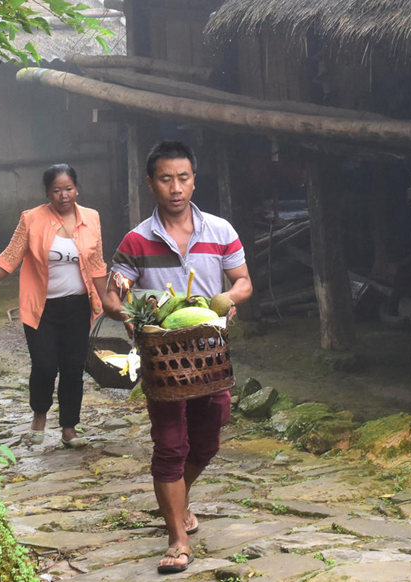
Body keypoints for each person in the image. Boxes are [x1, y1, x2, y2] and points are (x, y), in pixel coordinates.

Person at [104, 140, 252, 573]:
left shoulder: (221, 232)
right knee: (170, 445)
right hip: (164, 361)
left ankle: (178, 500)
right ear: (152, 184)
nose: (175, 188)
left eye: (183, 178)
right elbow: (113, 297)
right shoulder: (135, 240)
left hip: (210, 358)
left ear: (194, 181)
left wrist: (225, 298)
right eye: (165, 179)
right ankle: (177, 537)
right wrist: (131, 312)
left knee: (208, 440)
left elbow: (243, 281)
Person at [0, 163, 108, 448]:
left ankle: (69, 428)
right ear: (47, 193)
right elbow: (9, 258)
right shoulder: (31, 219)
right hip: (41, 308)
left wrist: (109, 303)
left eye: (68, 189)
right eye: (56, 190)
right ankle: (39, 415)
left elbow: (96, 264)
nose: (64, 195)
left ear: (77, 188)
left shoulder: (91, 218)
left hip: (78, 306)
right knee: (44, 365)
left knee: (72, 368)